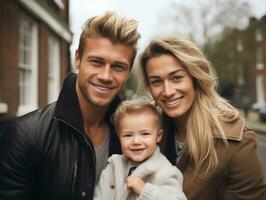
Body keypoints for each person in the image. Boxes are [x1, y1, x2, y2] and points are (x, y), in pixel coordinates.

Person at [0, 11, 140, 200]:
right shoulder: (24, 135)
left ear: (128, 72)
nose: (106, 76)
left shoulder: (137, 134)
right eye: (96, 62)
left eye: (118, 67)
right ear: (77, 59)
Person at [139, 34, 266, 200]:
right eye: (156, 82)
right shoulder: (145, 132)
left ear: (195, 78)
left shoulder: (236, 143)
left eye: (176, 78)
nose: (168, 91)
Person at [94, 98, 187, 200]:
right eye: (128, 135)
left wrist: (145, 191)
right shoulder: (113, 166)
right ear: (119, 136)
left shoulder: (165, 172)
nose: (136, 141)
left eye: (145, 134)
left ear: (158, 136)